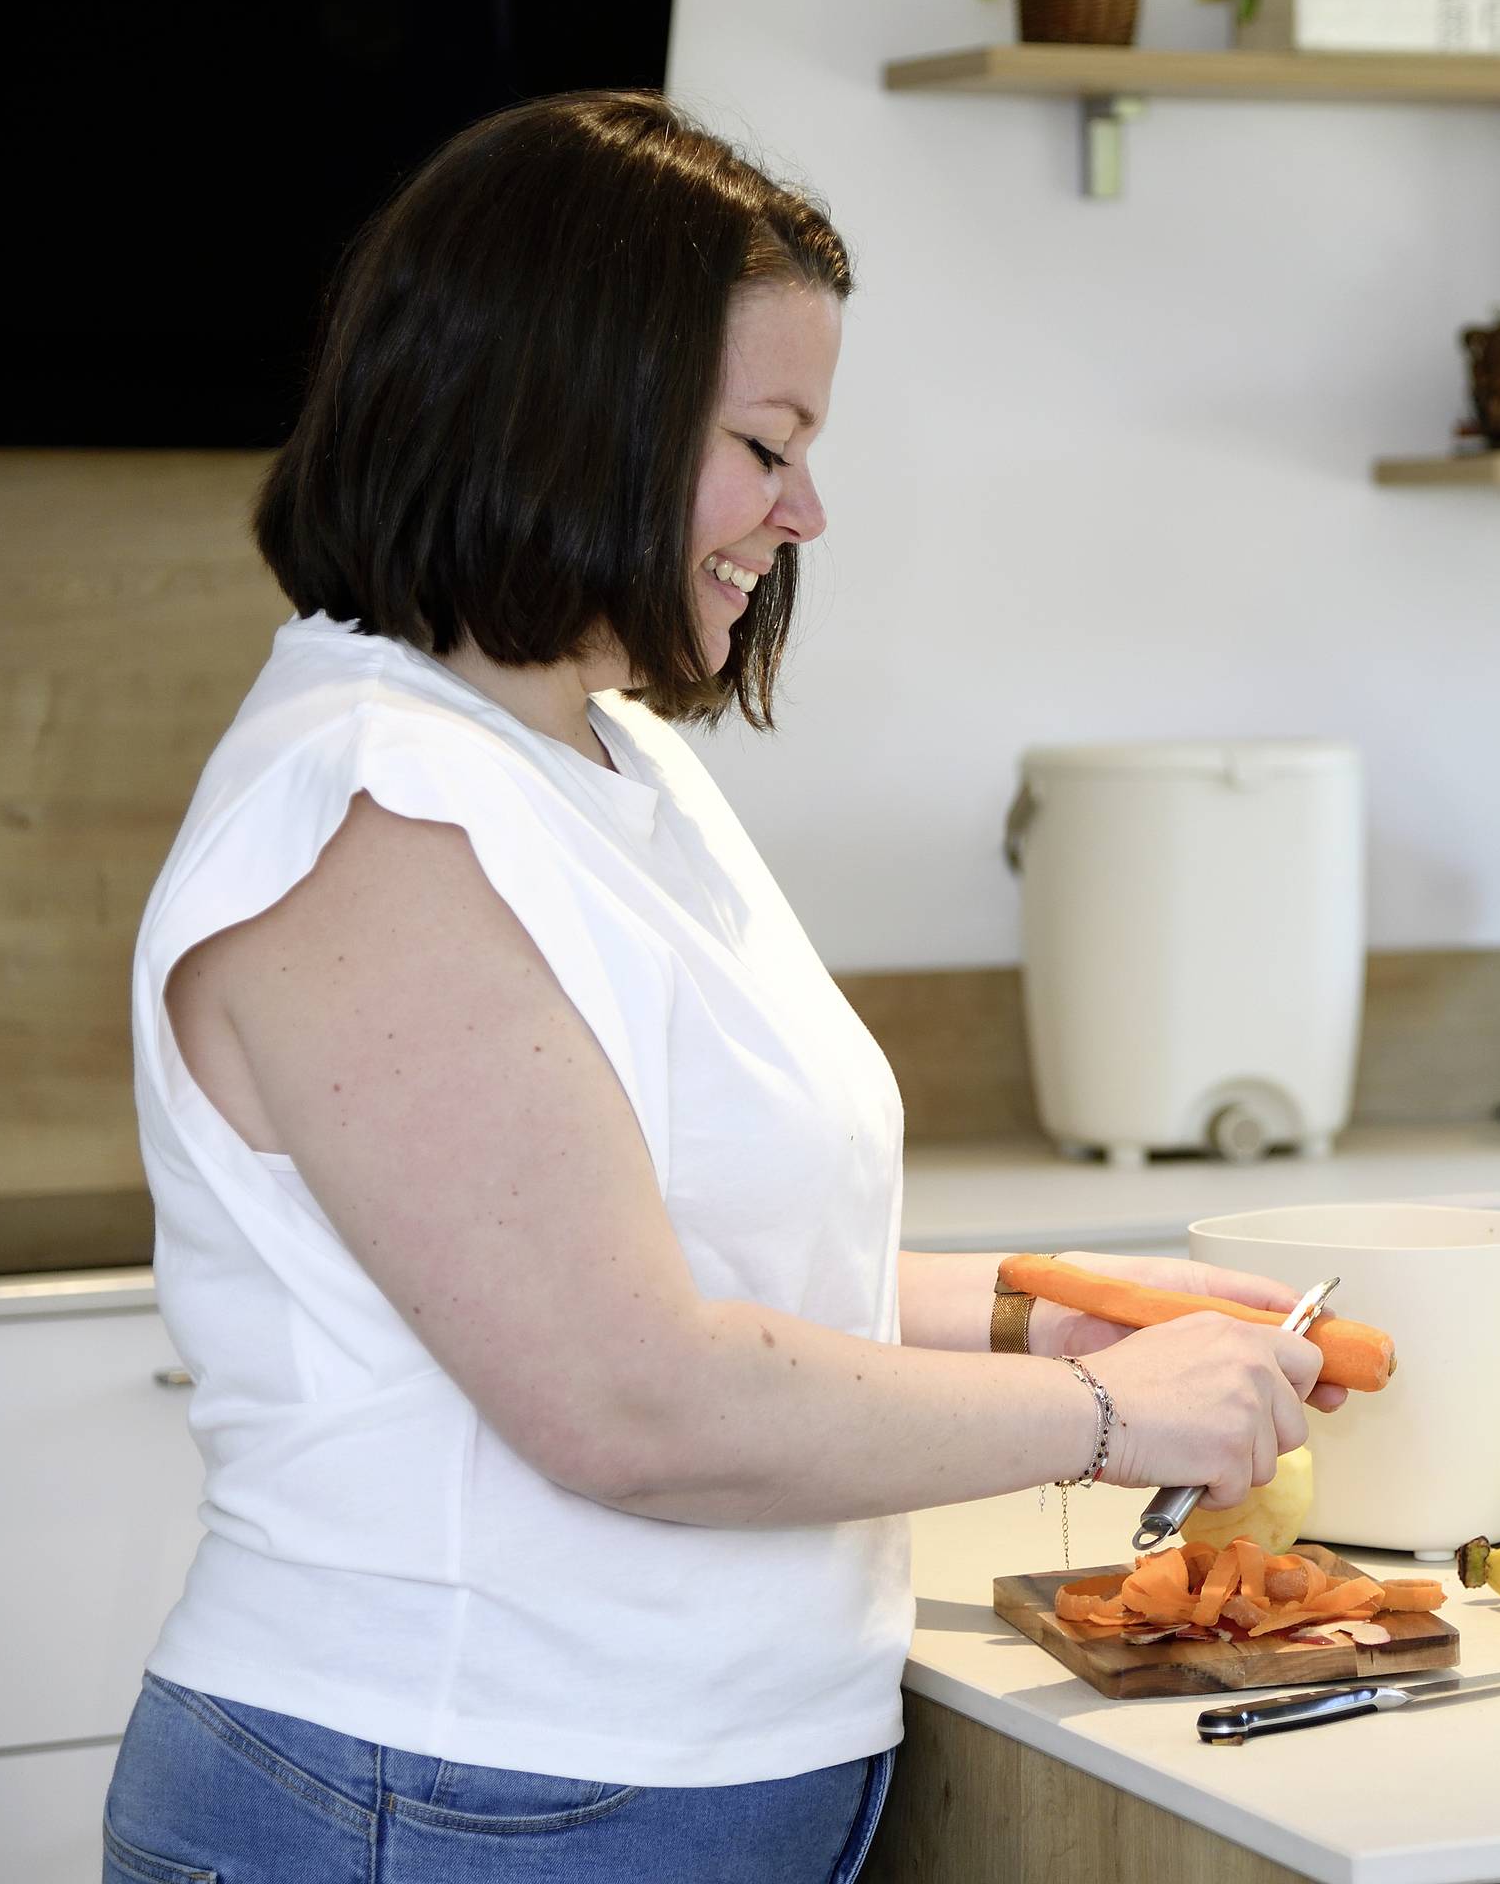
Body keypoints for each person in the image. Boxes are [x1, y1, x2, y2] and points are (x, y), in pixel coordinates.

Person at [101, 92, 1337, 1884]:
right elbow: (627, 1395)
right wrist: (1107, 1419)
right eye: (766, 443)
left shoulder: (593, 756)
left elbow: (692, 1263)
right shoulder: (375, 816)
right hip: (445, 1797)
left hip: (625, 1789)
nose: (805, 509)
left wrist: (1029, 1313)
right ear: (570, 413)